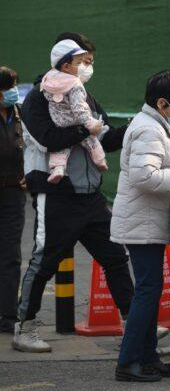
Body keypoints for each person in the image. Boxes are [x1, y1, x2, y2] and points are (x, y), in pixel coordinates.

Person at [13, 32, 152, 353]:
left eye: (89, 62)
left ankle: (135, 325)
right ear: (65, 60)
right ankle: (26, 328)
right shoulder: (37, 97)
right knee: (44, 261)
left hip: (90, 196)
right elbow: (49, 138)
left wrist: (132, 127)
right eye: (83, 61)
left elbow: (103, 137)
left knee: (115, 258)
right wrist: (84, 129)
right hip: (56, 192)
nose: (87, 67)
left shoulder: (84, 96)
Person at [111, 70, 170, 382]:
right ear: (161, 103)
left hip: (146, 220)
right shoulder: (149, 130)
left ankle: (148, 358)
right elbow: (144, 177)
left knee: (150, 290)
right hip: (142, 222)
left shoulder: (154, 125)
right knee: (147, 292)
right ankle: (128, 362)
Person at [41, 39, 108, 183]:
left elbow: (48, 96)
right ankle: (100, 161)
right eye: (79, 63)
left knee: (60, 148)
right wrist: (90, 123)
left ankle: (58, 169)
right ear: (66, 66)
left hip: (59, 122)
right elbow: (79, 109)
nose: (81, 67)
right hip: (77, 121)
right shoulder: (75, 83)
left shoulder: (48, 80)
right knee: (91, 140)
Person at [0, 66, 26, 334]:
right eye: (7, 88)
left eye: (13, 86)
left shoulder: (21, 113)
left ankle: (8, 315)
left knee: (10, 255)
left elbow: (36, 146)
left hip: (13, 194)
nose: (12, 93)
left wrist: (29, 174)